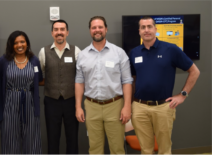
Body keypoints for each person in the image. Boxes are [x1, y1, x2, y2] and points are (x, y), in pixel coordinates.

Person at [129, 16, 200, 155]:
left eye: (149, 26)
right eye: (143, 27)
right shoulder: (134, 53)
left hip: (162, 107)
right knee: (146, 150)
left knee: (164, 150)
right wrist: (130, 103)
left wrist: (182, 95)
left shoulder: (170, 49)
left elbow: (194, 71)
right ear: (139, 31)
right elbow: (132, 79)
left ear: (155, 29)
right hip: (139, 108)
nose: (146, 30)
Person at [75, 16, 133, 155]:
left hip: (115, 105)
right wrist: (78, 107)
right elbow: (79, 81)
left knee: (117, 147)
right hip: (91, 106)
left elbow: (127, 81)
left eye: (100, 27)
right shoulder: (83, 55)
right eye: (94, 27)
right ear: (90, 30)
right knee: (94, 148)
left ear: (106, 29)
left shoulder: (119, 53)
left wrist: (127, 106)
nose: (97, 30)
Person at [38, 19, 81, 155]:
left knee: (72, 138)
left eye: (62, 29)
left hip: (71, 100)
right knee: (52, 138)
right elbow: (40, 76)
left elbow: (80, 76)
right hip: (51, 101)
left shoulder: (76, 51)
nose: (59, 32)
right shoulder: (44, 52)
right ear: (52, 33)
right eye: (56, 30)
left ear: (67, 32)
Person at [0, 30, 43, 155]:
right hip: (9, 102)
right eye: (15, 43)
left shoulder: (34, 60)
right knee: (10, 138)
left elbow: (40, 80)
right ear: (11, 45)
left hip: (30, 102)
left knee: (32, 139)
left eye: (22, 41)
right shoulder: (4, 61)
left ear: (27, 43)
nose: (19, 45)